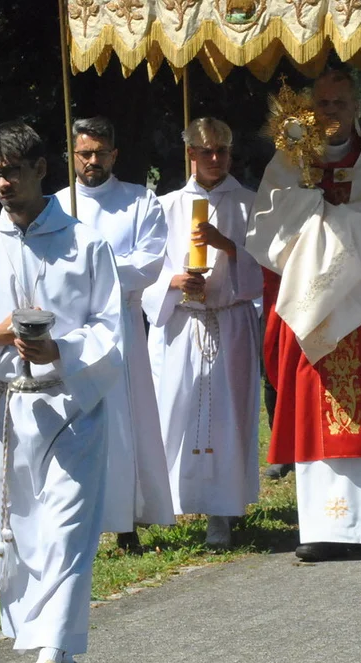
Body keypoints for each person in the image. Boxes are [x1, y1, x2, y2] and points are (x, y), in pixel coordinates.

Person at [0, 121, 123, 663]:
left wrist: (61, 351)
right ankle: (58, 655)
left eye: (12, 171)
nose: (1, 183)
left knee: (69, 529)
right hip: (11, 409)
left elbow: (110, 329)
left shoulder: (86, 244)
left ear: (42, 169)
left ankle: (49, 657)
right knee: (23, 532)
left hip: (70, 407)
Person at [247, 70, 361, 562]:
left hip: (359, 308)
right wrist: (308, 204)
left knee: (357, 415)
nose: (331, 111)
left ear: (356, 104)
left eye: (340, 102)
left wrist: (331, 216)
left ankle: (359, 528)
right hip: (312, 309)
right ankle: (319, 527)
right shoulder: (288, 157)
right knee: (309, 415)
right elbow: (267, 232)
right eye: (322, 102)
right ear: (309, 107)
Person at [54, 116, 174, 552]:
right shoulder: (56, 206)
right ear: (72, 155)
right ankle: (74, 519)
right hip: (68, 329)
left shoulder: (140, 201)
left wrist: (92, 271)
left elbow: (149, 263)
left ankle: (125, 521)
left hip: (121, 325)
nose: (92, 161)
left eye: (100, 153)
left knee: (121, 421)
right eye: (84, 153)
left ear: (114, 154)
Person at [142, 117, 261, 549]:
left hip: (228, 324)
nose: (215, 159)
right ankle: (167, 503)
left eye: (222, 151)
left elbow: (265, 270)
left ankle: (222, 512)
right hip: (180, 322)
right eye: (206, 151)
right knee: (174, 411)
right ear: (190, 154)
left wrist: (226, 244)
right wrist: (173, 283)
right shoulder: (165, 205)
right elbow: (146, 271)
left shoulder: (251, 203)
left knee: (227, 418)